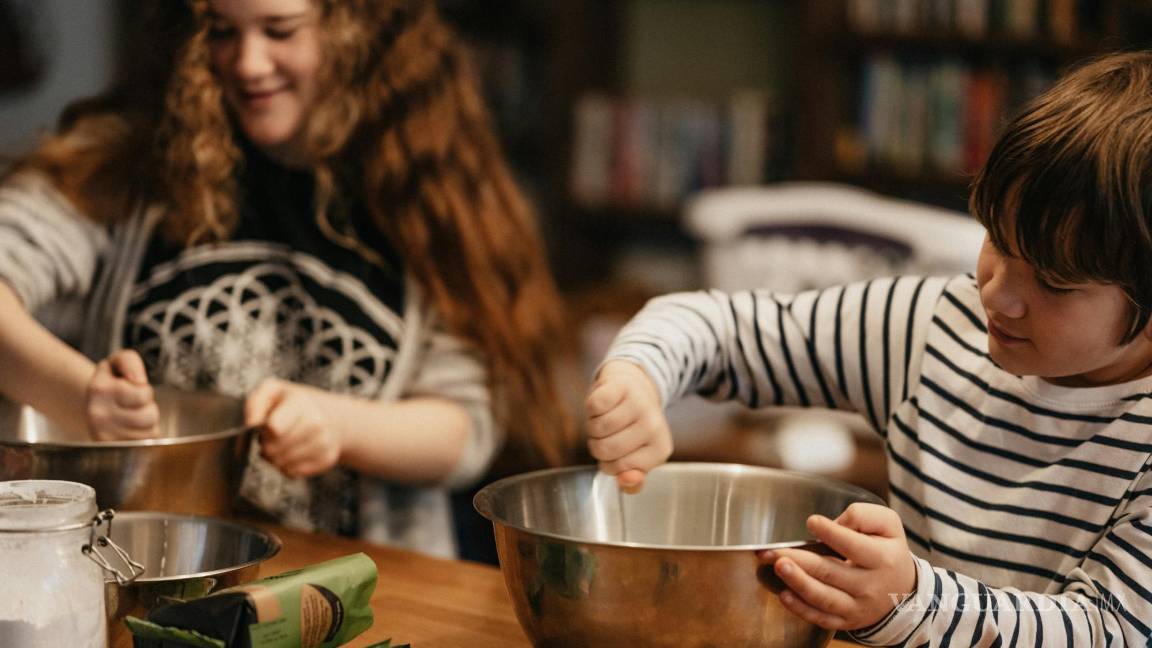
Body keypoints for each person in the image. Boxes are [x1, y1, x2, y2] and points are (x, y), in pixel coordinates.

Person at [586, 51, 1152, 645]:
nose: (999, 294)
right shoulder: (933, 326)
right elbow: (719, 326)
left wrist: (911, 601)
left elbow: (1112, 632)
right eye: (998, 242)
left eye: (1055, 282)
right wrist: (639, 375)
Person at [0, 0, 575, 558]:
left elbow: (465, 431)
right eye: (221, 31)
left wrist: (338, 425)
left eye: (280, 30)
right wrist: (80, 396)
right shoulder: (125, 163)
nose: (247, 63)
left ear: (356, 28)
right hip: (135, 566)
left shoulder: (427, 191)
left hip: (355, 585)